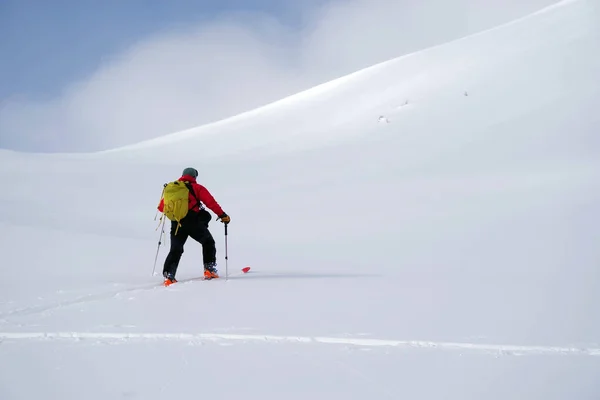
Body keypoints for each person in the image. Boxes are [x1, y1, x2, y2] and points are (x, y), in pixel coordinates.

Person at [157, 167, 230, 286]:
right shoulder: (197, 188)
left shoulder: (173, 189)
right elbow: (210, 202)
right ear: (194, 177)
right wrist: (222, 215)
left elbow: (161, 207)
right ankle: (209, 270)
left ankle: (169, 275)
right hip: (192, 221)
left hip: (176, 222)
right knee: (208, 242)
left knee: (176, 249)